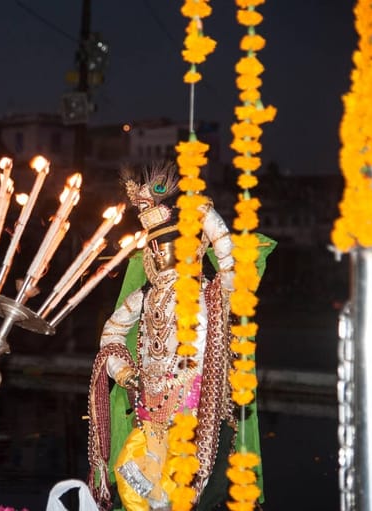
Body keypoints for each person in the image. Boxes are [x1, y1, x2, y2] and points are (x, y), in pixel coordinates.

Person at [87, 162, 271, 510]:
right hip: (151, 412)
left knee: (192, 496)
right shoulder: (143, 294)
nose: (159, 255)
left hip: (200, 415)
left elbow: (232, 265)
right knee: (135, 484)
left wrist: (208, 216)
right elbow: (111, 334)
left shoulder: (212, 294)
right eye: (153, 249)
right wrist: (126, 374)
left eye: (167, 247)